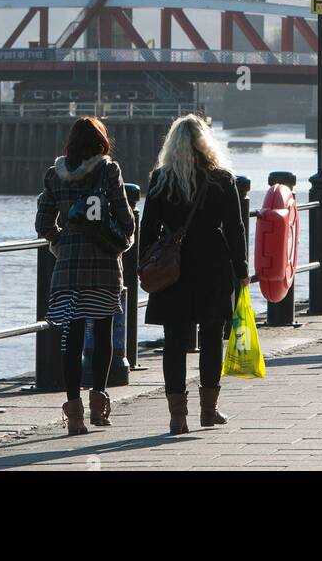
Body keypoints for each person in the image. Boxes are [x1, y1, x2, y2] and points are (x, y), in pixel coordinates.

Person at [140, 114, 248, 434]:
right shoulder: (222, 179)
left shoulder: (161, 179)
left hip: (174, 268)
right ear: (206, 143)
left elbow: (148, 227)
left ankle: (177, 416)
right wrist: (241, 269)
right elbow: (235, 228)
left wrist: (144, 264)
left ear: (172, 145)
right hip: (213, 265)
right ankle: (208, 410)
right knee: (212, 336)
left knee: (174, 339)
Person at [35, 116, 135, 435]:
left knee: (73, 336)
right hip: (104, 265)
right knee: (102, 333)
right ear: (101, 142)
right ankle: (99, 404)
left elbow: (43, 224)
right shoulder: (109, 171)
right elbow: (127, 221)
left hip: (68, 268)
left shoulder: (55, 175)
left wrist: (61, 240)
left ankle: (74, 411)